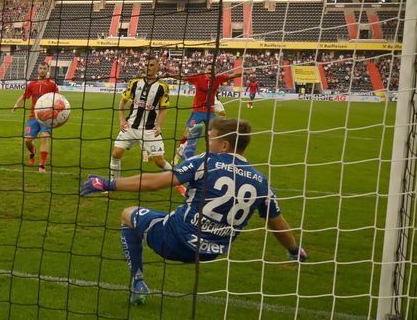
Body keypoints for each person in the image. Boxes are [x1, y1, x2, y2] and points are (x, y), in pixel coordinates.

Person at [80, 117, 307, 305]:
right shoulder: (261, 181)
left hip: (176, 239)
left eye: (211, 138)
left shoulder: (207, 161)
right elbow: (276, 221)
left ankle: (137, 282)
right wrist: (294, 249)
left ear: (225, 145)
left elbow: (154, 183)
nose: (209, 142)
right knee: (172, 214)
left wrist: (108, 184)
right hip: (211, 252)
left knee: (128, 214)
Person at [110, 56, 172, 180]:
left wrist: (158, 125)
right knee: (116, 154)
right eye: (146, 65)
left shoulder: (162, 86)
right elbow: (122, 103)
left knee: (159, 161)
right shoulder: (134, 82)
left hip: (149, 130)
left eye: (151, 65)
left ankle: (180, 178)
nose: (147, 68)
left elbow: (164, 108)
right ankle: (113, 184)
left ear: (157, 67)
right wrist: (122, 120)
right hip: (131, 126)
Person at [171, 65, 242, 163]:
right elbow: (182, 77)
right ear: (205, 70)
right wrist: (170, 75)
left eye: (212, 70)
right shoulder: (198, 78)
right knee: (187, 131)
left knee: (216, 133)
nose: (210, 71)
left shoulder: (217, 79)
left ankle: (216, 155)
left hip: (210, 112)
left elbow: (232, 75)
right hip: (197, 111)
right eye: (209, 69)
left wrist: (245, 72)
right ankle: (179, 152)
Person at [12, 62, 58, 173]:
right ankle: (33, 152)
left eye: (44, 68)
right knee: (27, 140)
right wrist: (16, 105)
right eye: (40, 68)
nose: (42, 70)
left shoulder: (52, 85)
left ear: (48, 71)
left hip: (47, 118)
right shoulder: (32, 84)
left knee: (44, 136)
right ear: (38, 70)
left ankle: (42, 164)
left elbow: (58, 99)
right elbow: (24, 96)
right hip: (33, 117)